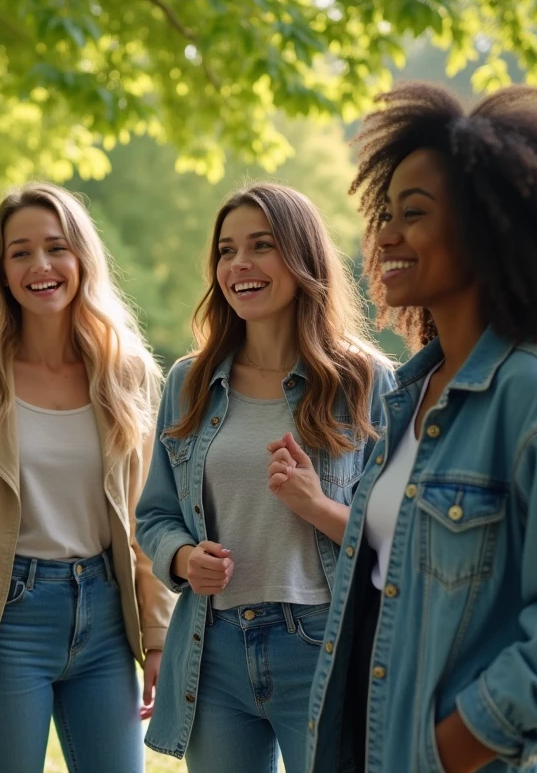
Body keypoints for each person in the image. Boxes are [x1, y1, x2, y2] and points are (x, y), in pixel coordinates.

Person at [304, 82, 537, 773]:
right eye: (386, 213)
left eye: (414, 212)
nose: (386, 234)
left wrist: (452, 747)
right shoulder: (410, 395)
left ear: (488, 228)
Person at [0, 183, 175, 773]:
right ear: (1, 272)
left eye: (56, 248)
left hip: (106, 621)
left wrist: (159, 637)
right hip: (6, 621)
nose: (41, 266)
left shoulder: (127, 372)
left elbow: (147, 519)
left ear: (81, 258)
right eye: (21, 253)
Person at [135, 183, 394, 771]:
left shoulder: (367, 382)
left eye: (261, 245)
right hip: (214, 647)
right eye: (226, 251)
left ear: (302, 257)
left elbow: (398, 536)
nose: (239, 265)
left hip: (324, 645)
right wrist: (183, 558)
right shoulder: (188, 383)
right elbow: (155, 515)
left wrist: (316, 505)